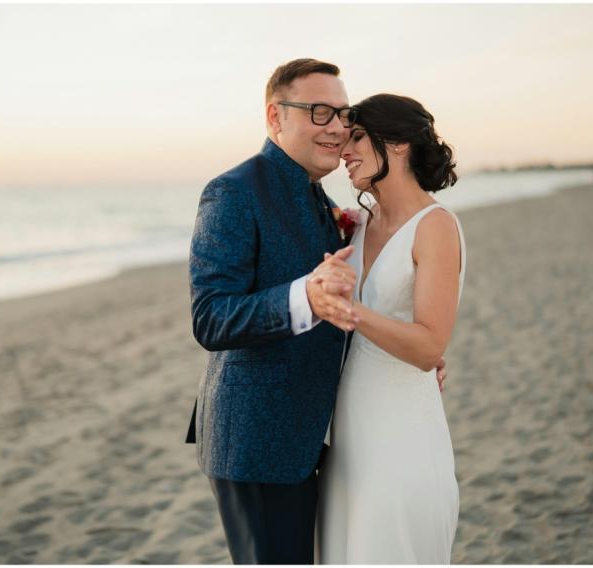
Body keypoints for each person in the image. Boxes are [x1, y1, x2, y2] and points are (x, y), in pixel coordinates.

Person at [185, 60, 448, 564]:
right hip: (257, 442)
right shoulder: (234, 192)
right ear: (275, 117)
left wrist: (408, 346)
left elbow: (344, 302)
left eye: (343, 114)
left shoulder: (318, 196)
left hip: (313, 437)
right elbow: (211, 317)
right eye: (319, 111)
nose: (337, 128)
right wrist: (303, 295)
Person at [316, 94, 465, 563]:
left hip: (402, 437)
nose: (345, 150)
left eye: (357, 137)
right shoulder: (358, 223)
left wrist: (349, 310)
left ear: (398, 144)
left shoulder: (435, 226)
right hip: (349, 440)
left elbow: (428, 348)